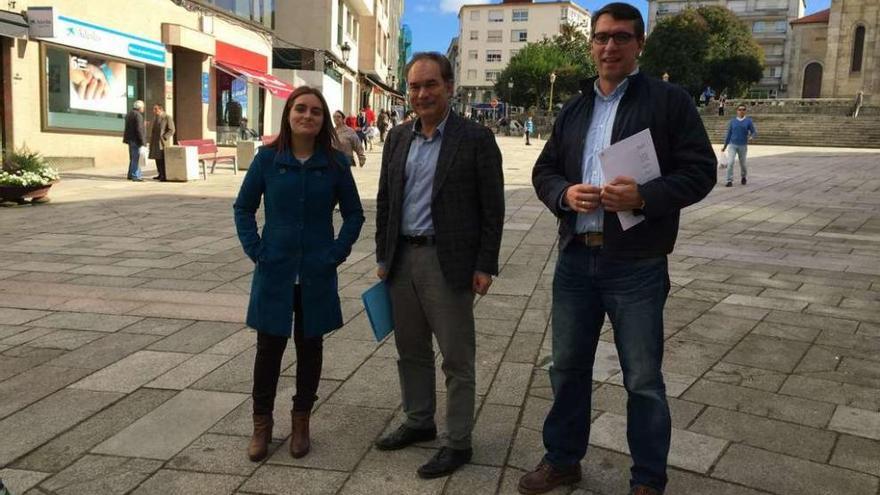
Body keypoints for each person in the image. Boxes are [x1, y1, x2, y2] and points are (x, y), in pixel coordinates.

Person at [523, 3, 716, 495]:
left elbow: (700, 172)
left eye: (621, 38)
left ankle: (648, 479)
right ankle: (563, 459)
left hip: (636, 263)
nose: (610, 46)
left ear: (639, 45)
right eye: (602, 37)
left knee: (642, 379)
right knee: (566, 367)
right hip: (575, 256)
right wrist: (564, 194)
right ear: (591, 44)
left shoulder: (669, 101)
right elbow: (543, 171)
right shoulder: (575, 107)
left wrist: (646, 198)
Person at [374, 52, 505, 480]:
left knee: (456, 357)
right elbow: (387, 202)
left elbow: (493, 207)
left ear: (450, 87)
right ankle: (418, 420)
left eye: (431, 84)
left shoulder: (475, 138)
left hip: (448, 262)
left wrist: (485, 264)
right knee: (409, 351)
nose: (422, 93)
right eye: (414, 86)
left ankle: (458, 441)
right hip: (402, 260)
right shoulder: (397, 138)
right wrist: (382, 255)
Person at [233, 86, 365, 463]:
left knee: (311, 348)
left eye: (315, 111)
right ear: (288, 114)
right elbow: (243, 208)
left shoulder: (336, 163)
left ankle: (301, 420)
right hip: (274, 271)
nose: (307, 116)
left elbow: (354, 214)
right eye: (300, 109)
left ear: (324, 120)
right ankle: (262, 425)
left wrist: (336, 253)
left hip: (316, 273)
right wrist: (256, 249)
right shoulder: (266, 160)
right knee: (268, 350)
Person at [721, 104, 757, 187]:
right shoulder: (733, 121)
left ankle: (743, 176)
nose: (741, 111)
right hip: (732, 145)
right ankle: (729, 180)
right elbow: (729, 134)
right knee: (730, 162)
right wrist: (725, 146)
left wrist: (752, 136)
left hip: (743, 146)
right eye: (740, 109)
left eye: (743, 109)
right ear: (737, 111)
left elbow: (754, 131)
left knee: (743, 164)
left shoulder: (748, 121)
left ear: (745, 111)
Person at [148, 103, 175, 182]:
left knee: (162, 159)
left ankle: (164, 175)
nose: (154, 111)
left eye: (156, 109)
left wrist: (164, 137)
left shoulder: (167, 117)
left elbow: (172, 129)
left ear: (161, 109)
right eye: (154, 109)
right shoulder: (156, 118)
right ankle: (160, 174)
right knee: (157, 158)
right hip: (155, 141)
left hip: (162, 142)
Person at [122, 100, 146, 182]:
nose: (143, 109)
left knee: (132, 158)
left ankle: (130, 174)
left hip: (130, 139)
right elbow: (139, 129)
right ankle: (135, 176)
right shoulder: (138, 115)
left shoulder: (129, 114)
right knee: (136, 158)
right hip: (136, 140)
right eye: (143, 107)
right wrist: (142, 141)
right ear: (140, 107)